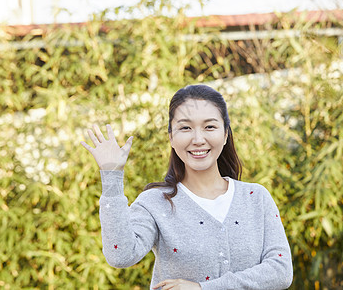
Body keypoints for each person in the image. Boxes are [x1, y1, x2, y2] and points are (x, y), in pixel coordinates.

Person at [80, 84, 293, 289]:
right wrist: (112, 178)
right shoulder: (155, 203)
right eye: (185, 128)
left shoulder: (256, 197)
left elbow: (281, 271)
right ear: (171, 137)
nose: (198, 139)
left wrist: (203, 288)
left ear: (226, 134)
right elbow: (121, 255)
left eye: (209, 126)